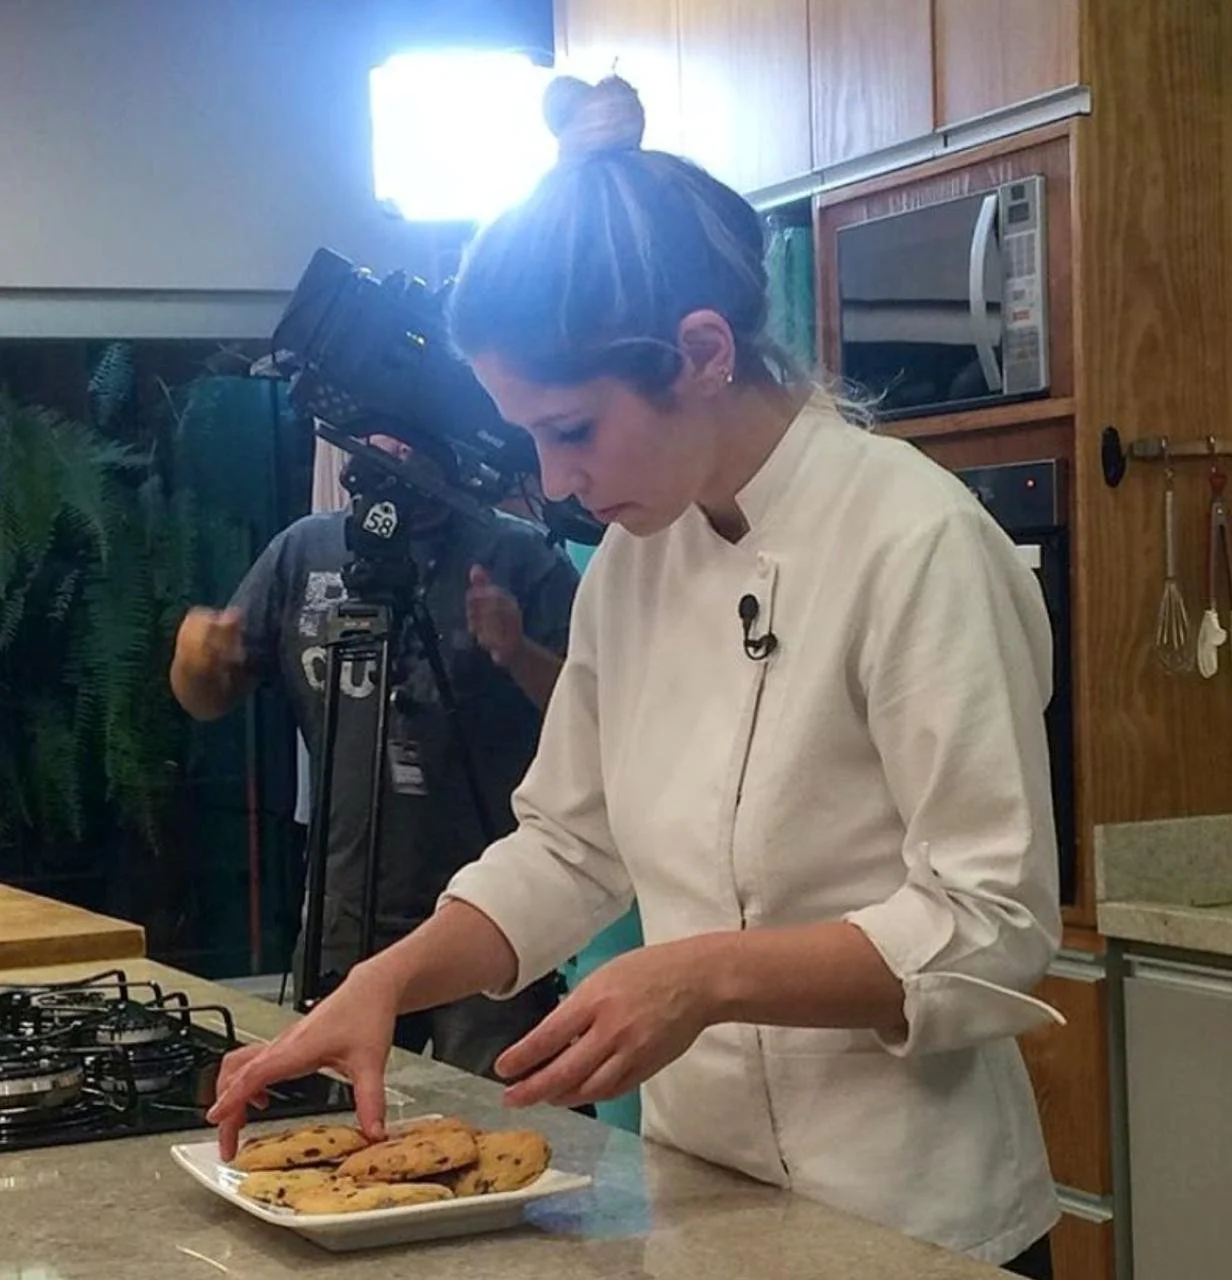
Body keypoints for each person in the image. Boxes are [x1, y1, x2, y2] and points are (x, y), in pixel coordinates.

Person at [209, 75, 1064, 1279]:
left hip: (910, 1216)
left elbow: (992, 920)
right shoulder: (631, 560)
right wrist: (384, 981)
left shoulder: (911, 542)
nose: (554, 484)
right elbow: (567, 842)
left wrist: (701, 973)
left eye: (572, 429)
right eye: (530, 440)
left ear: (702, 354)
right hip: (702, 1203)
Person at [170, 431, 580, 1079]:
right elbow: (206, 698)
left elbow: (599, 717)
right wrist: (195, 661)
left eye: (401, 427)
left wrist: (515, 650)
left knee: (502, 1129)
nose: (386, 444)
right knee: (336, 1121)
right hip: (344, 909)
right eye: (367, 430)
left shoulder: (518, 556)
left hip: (489, 912)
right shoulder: (305, 551)